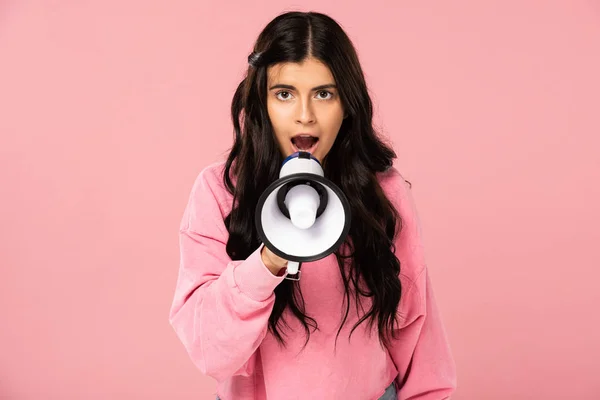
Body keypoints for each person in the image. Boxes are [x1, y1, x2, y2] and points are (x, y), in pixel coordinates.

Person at [169, 10, 456, 400]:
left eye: (324, 94)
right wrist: (269, 261)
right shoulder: (220, 192)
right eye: (284, 94)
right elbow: (210, 350)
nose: (305, 116)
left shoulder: (383, 193)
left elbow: (419, 336)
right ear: (261, 103)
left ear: (347, 104)